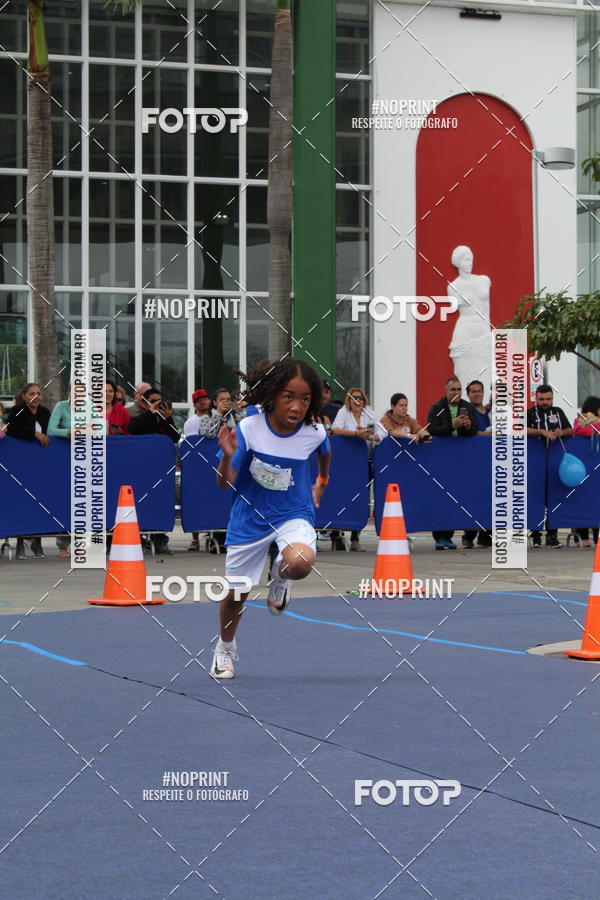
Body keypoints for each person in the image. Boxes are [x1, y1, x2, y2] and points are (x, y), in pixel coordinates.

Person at [210, 357, 330, 679]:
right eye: (289, 396)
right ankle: (225, 649)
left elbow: (325, 451)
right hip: (249, 518)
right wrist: (227, 457)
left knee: (301, 562)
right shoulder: (249, 429)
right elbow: (224, 484)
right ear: (273, 394)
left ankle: (281, 577)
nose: (297, 406)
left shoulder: (313, 432)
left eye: (305, 399)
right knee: (236, 595)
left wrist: (322, 481)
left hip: (293, 513)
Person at [332, 387, 385, 551]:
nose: (358, 401)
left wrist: (371, 436)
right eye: (355, 398)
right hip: (346, 461)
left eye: (361, 398)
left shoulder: (370, 413)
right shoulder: (343, 412)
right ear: (349, 400)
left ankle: (355, 537)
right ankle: (337, 534)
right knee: (342, 495)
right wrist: (355, 434)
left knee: (360, 497)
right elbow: (335, 429)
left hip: (363, 461)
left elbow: (382, 431)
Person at [427, 377, 478, 550]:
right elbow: (432, 429)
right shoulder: (437, 407)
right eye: (453, 390)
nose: (456, 393)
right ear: (446, 391)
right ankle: (440, 537)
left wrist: (468, 426)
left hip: (462, 459)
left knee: (460, 497)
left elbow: (474, 432)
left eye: (458, 390)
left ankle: (452, 536)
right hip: (442, 459)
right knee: (441, 497)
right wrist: (452, 425)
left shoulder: (468, 406)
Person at [129, 387, 180, 555]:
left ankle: (160, 539)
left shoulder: (164, 418)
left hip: (161, 469)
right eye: (153, 401)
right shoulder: (139, 416)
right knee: (140, 503)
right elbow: (133, 429)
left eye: (160, 400)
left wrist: (168, 418)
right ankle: (139, 538)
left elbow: (175, 438)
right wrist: (150, 413)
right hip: (141, 468)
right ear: (144, 403)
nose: (157, 404)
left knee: (161, 502)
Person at [6, 383, 51, 559]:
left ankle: (37, 541)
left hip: (41, 462)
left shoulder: (45, 413)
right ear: (24, 396)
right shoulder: (17, 411)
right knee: (22, 500)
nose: (36, 397)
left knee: (41, 501)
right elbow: (11, 431)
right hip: (21, 462)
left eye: (39, 393)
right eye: (32, 393)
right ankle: (20, 542)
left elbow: (50, 433)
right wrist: (34, 434)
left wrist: (42, 435)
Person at [527, 384, 573, 548]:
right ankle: (536, 535)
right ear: (536, 398)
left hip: (555, 462)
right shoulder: (530, 413)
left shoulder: (558, 412)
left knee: (554, 498)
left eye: (548, 399)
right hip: (535, 463)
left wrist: (563, 432)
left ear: (552, 398)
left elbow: (570, 429)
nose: (545, 402)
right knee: (536, 499)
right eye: (542, 399)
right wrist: (541, 432)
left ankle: (552, 535)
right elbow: (520, 430)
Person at [447, 246, 492, 395]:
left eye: (471, 259)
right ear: (458, 262)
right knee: (464, 373)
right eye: (466, 259)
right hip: (465, 332)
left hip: (484, 331)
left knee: (486, 372)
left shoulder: (484, 280)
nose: (470, 263)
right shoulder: (453, 286)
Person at [572, 395, 600, 547]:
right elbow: (581, 432)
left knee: (596, 503)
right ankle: (582, 538)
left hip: (596, 469)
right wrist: (594, 426)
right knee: (581, 501)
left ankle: (597, 537)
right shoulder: (578, 421)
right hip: (582, 468)